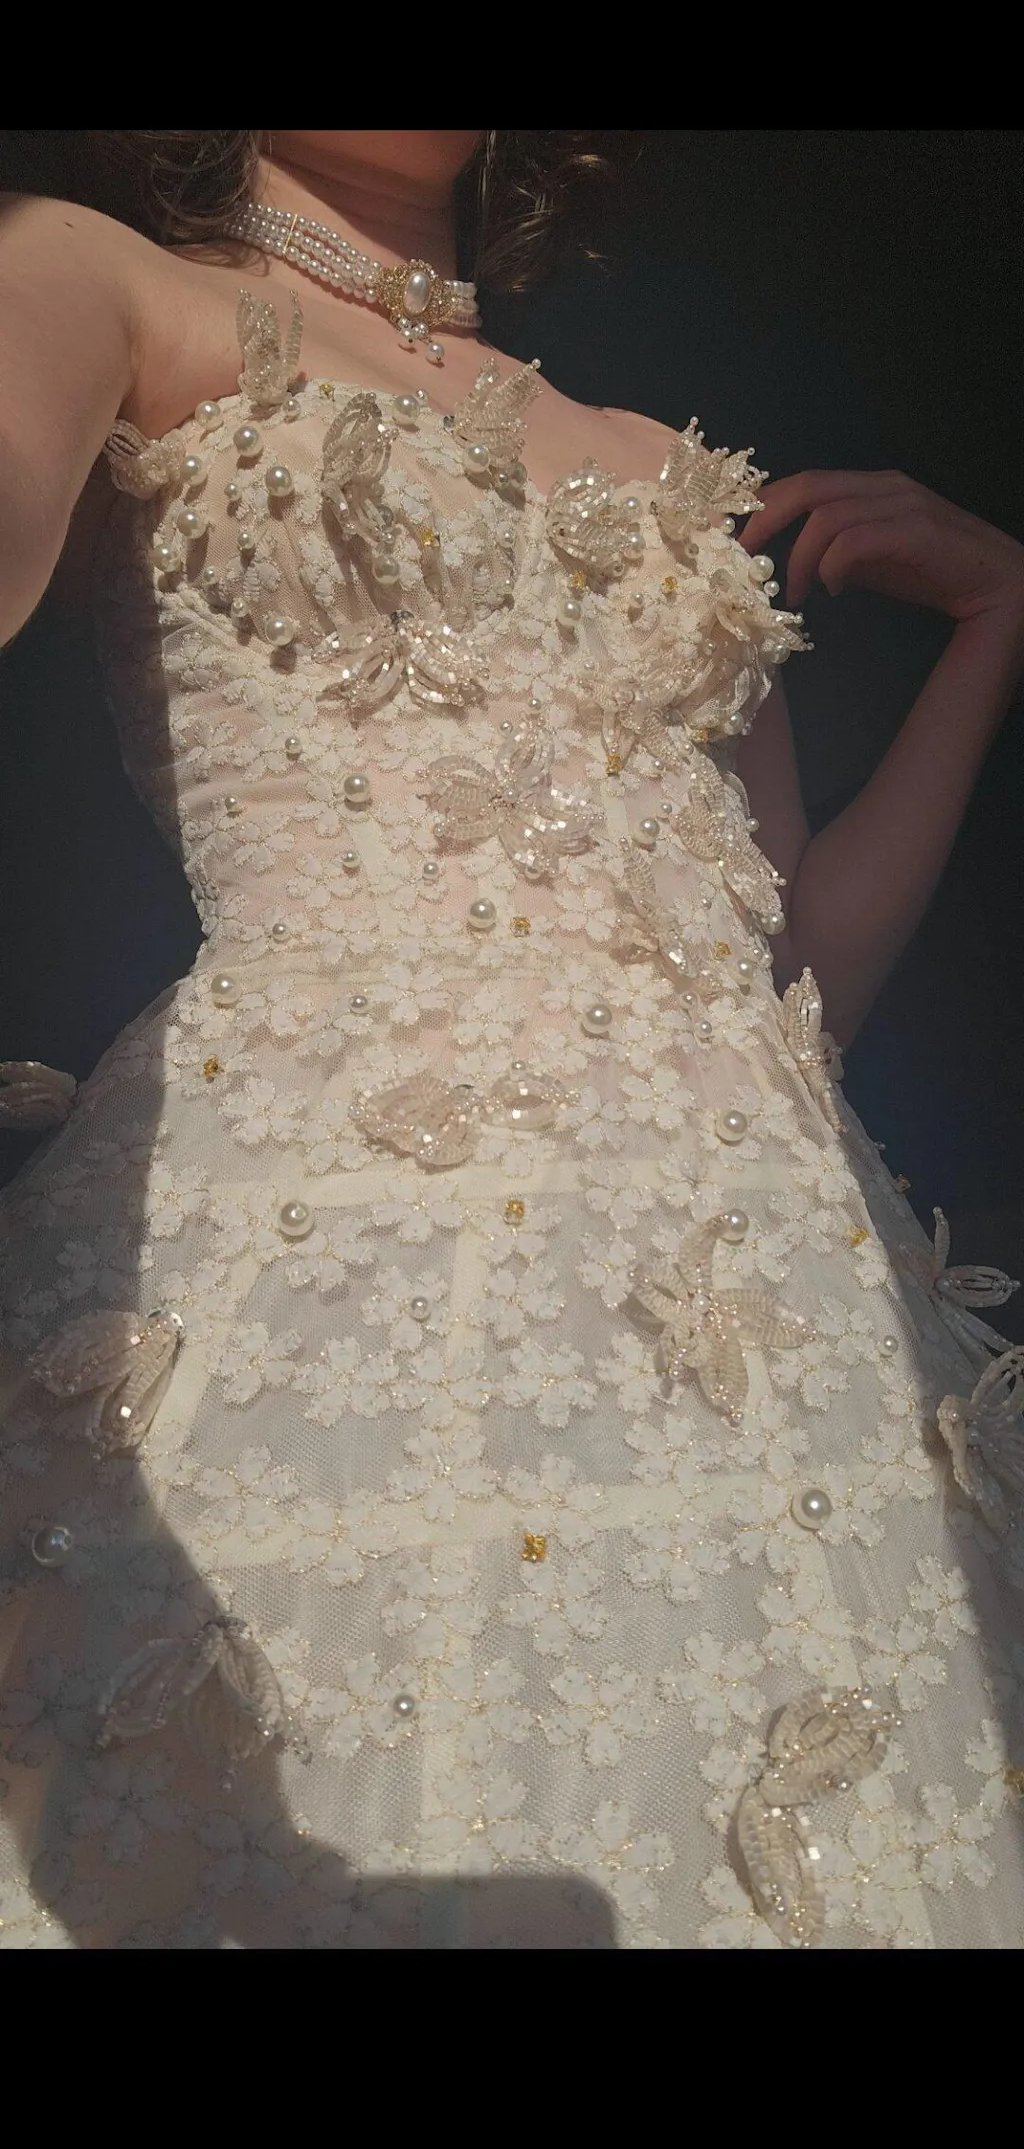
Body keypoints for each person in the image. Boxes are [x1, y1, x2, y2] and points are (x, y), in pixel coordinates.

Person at [0, 129, 1022, 1951]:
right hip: (339, 1262)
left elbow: (796, 976)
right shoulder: (102, 280)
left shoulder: (660, 465)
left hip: (768, 1315)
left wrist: (1002, 627)